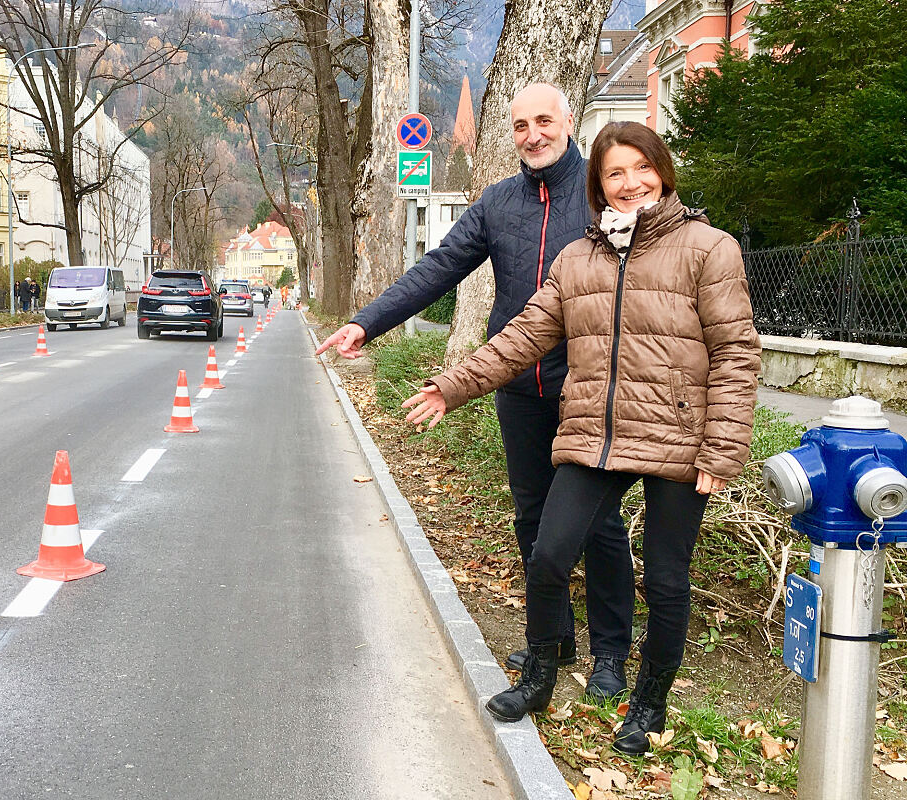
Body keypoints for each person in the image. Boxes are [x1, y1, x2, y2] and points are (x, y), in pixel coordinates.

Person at [402, 121, 760, 753]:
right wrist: (450, 387)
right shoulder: (579, 258)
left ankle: (648, 705)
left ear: (663, 172)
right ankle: (541, 676)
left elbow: (735, 354)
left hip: (681, 438)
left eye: (641, 169)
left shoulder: (710, 249)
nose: (630, 184)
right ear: (598, 185)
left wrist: (723, 450)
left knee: (667, 581)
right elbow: (521, 338)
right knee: (547, 555)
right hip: (596, 434)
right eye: (614, 173)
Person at [315, 83, 634, 700]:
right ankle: (554, 637)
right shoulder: (499, 202)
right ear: (510, 134)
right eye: (520, 126)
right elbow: (437, 267)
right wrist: (365, 321)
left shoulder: (601, 195)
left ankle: (610, 653)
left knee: (598, 525)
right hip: (519, 384)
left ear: (569, 122)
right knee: (533, 516)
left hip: (589, 386)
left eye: (544, 121)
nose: (533, 134)